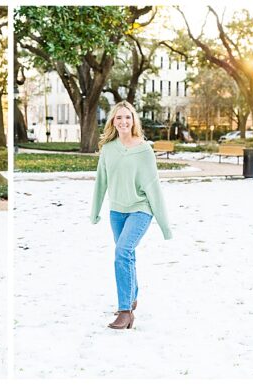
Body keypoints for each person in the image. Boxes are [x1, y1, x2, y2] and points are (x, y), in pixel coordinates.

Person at [91, 101, 172, 330]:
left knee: (122, 251)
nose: (123, 122)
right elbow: (101, 182)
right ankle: (131, 296)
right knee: (127, 256)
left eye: (128, 117)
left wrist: (165, 225)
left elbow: (153, 187)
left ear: (134, 120)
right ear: (113, 122)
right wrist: (95, 211)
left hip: (140, 209)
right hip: (117, 212)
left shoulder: (145, 150)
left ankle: (125, 311)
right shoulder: (108, 149)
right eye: (119, 118)